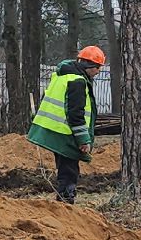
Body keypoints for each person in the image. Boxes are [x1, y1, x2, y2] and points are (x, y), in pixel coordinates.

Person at [27, 45, 105, 204]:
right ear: (89, 66)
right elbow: (75, 114)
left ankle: (64, 198)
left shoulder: (62, 75)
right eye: (97, 67)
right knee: (69, 169)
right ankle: (66, 200)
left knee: (65, 167)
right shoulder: (77, 81)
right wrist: (83, 139)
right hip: (64, 132)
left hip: (54, 129)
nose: (98, 71)